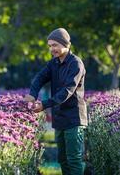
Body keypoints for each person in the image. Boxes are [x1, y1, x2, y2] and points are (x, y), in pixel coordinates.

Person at [23, 28, 88, 175]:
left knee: (74, 159)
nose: (52, 49)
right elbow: (40, 77)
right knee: (62, 159)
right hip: (59, 118)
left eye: (55, 45)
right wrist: (32, 94)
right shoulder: (53, 63)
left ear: (67, 45)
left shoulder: (76, 64)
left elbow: (67, 91)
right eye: (50, 46)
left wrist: (44, 105)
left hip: (74, 118)